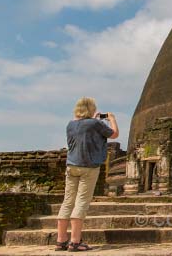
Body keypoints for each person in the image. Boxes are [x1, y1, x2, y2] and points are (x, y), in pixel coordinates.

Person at [55, 97, 119, 252]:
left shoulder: (70, 124)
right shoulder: (95, 123)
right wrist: (111, 119)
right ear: (91, 109)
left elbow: (83, 132)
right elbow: (114, 134)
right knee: (82, 201)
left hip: (71, 165)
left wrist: (94, 120)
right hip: (88, 166)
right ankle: (75, 242)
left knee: (68, 201)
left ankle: (61, 240)